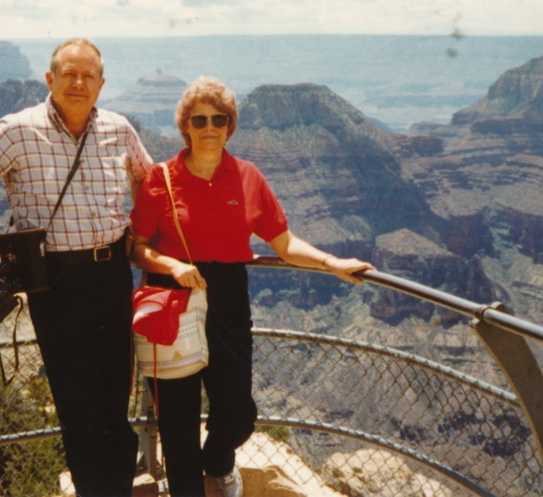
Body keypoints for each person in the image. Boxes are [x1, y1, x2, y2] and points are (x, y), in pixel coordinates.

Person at [129, 77, 373, 497]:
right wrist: (170, 263)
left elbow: (283, 241)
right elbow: (138, 249)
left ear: (230, 126)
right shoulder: (160, 178)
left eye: (218, 119)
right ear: (185, 125)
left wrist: (332, 263)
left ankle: (218, 463)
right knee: (178, 420)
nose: (209, 127)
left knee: (237, 413)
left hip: (228, 297)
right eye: (199, 119)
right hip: (173, 297)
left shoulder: (247, 177)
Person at [0, 38, 153, 497]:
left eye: (88, 76)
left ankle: (116, 488)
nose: (78, 84)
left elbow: (146, 177)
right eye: (69, 74)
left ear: (102, 84)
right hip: (56, 284)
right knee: (80, 406)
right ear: (50, 79)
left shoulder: (120, 129)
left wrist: (142, 235)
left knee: (116, 397)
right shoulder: (17, 130)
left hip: (113, 275)